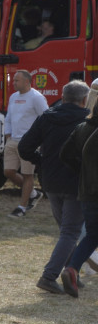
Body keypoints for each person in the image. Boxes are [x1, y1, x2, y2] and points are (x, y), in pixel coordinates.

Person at [18, 80, 90, 294]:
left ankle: (71, 271)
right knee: (70, 232)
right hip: (76, 181)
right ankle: (49, 276)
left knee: (65, 231)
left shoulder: (47, 117)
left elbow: (24, 147)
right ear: (84, 99)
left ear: (63, 96)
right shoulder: (86, 119)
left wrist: (41, 161)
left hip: (50, 180)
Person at [57, 95, 98, 298]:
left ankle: (72, 269)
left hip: (86, 191)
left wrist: (82, 170)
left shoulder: (82, 128)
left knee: (92, 235)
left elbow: (64, 154)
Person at [4, 70, 48, 217]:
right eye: (14, 80)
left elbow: (46, 118)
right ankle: (34, 193)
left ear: (27, 82)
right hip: (13, 141)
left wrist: (41, 140)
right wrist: (8, 136)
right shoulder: (13, 97)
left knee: (27, 174)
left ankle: (21, 208)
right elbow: (9, 117)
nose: (14, 83)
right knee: (8, 171)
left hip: (29, 142)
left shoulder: (36, 97)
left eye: (17, 80)